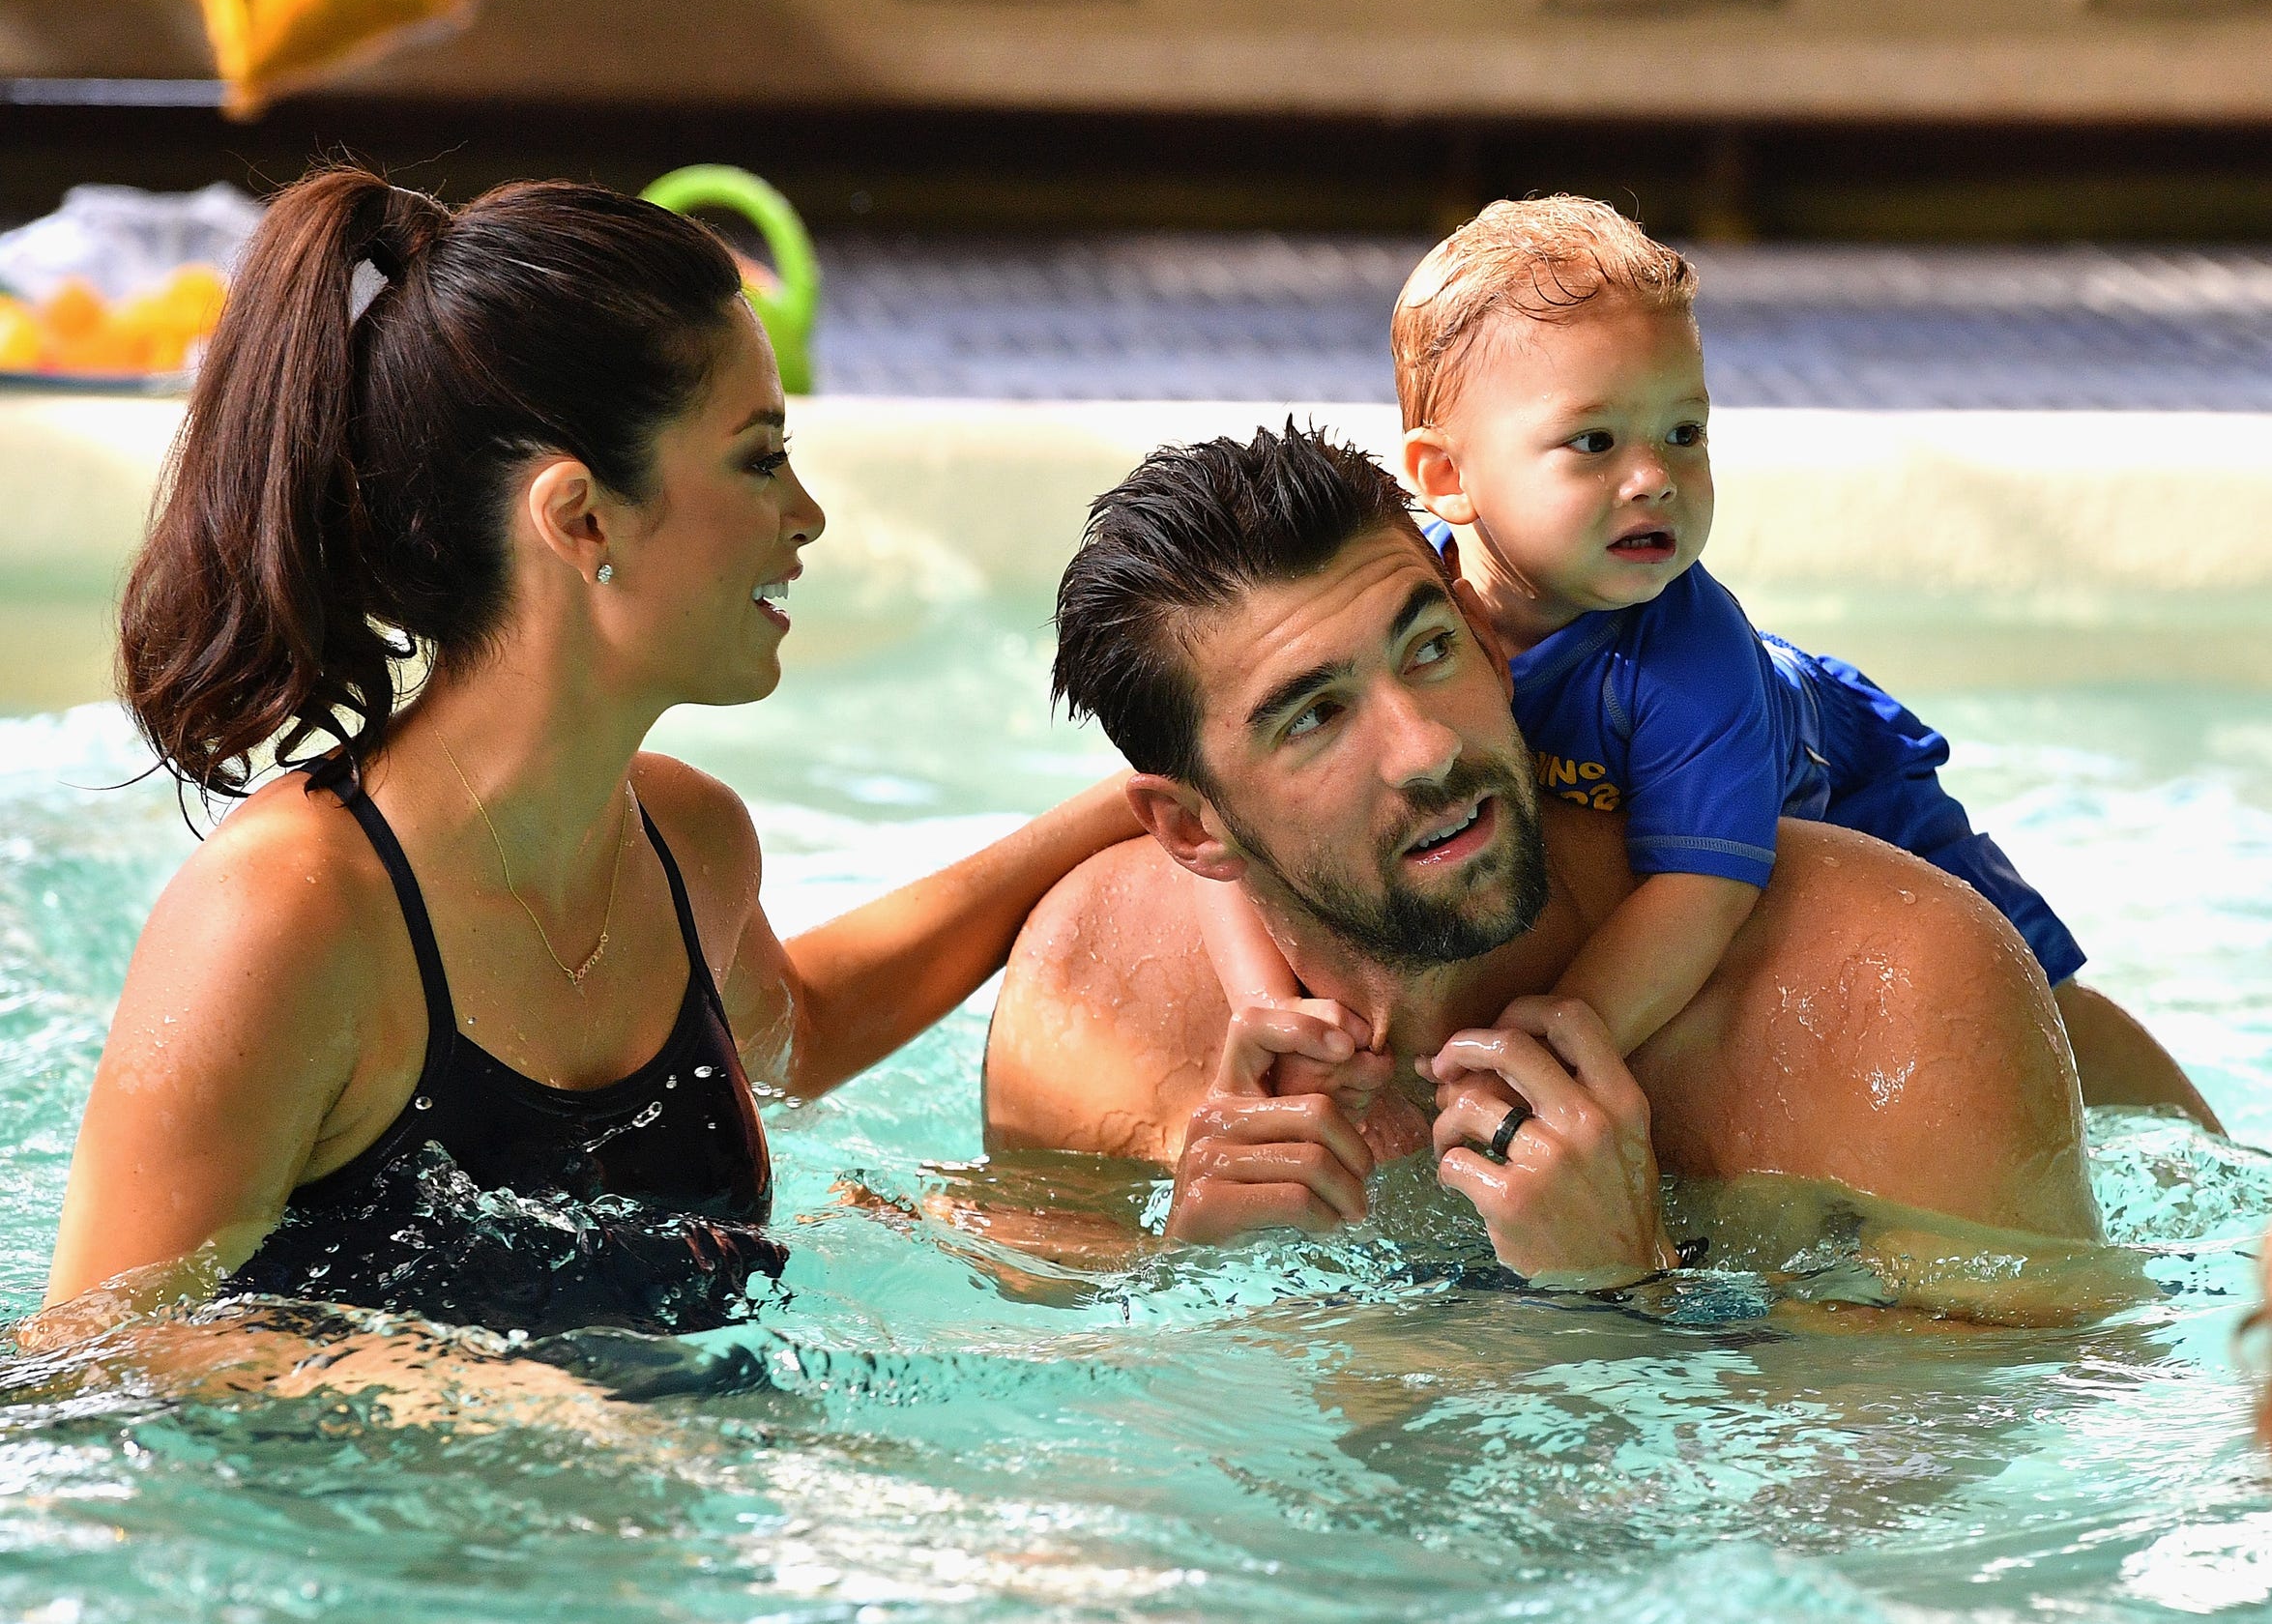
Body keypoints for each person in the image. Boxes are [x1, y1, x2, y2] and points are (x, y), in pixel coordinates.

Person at [42, 167, 1137, 1340]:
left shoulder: (691, 842)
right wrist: (472, 1396)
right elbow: (97, 1346)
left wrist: (1122, 811)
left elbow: (798, 1030)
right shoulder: (286, 916)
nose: (806, 513)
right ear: (580, 519)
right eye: (759, 457)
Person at [985, 424, 2131, 1313]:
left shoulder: (1888, 990)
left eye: (1429, 652)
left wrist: (1629, 1292)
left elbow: (1972, 1483)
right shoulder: (1096, 992)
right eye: (1316, 719)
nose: (1428, 749)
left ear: (1489, 645)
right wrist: (1191, 1285)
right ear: (1190, 830)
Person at [1195, 197, 2218, 1131]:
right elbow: (1218, 801)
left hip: (1849, 785)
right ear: (1446, 476)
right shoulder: (1395, 600)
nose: (1654, 479)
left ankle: (2207, 1145)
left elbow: (1698, 892)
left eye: (1684, 432)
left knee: (2038, 997)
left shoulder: (1689, 661)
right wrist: (1271, 1007)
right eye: (1593, 443)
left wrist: (1553, 1040)